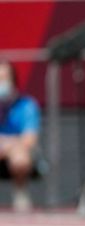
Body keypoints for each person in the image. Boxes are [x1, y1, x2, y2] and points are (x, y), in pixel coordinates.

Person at [0, 60, 41, 213]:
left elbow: (29, 139)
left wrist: (7, 146)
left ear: (13, 81)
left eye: (3, 78)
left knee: (20, 157)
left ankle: (20, 192)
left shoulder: (26, 105)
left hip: (14, 154)